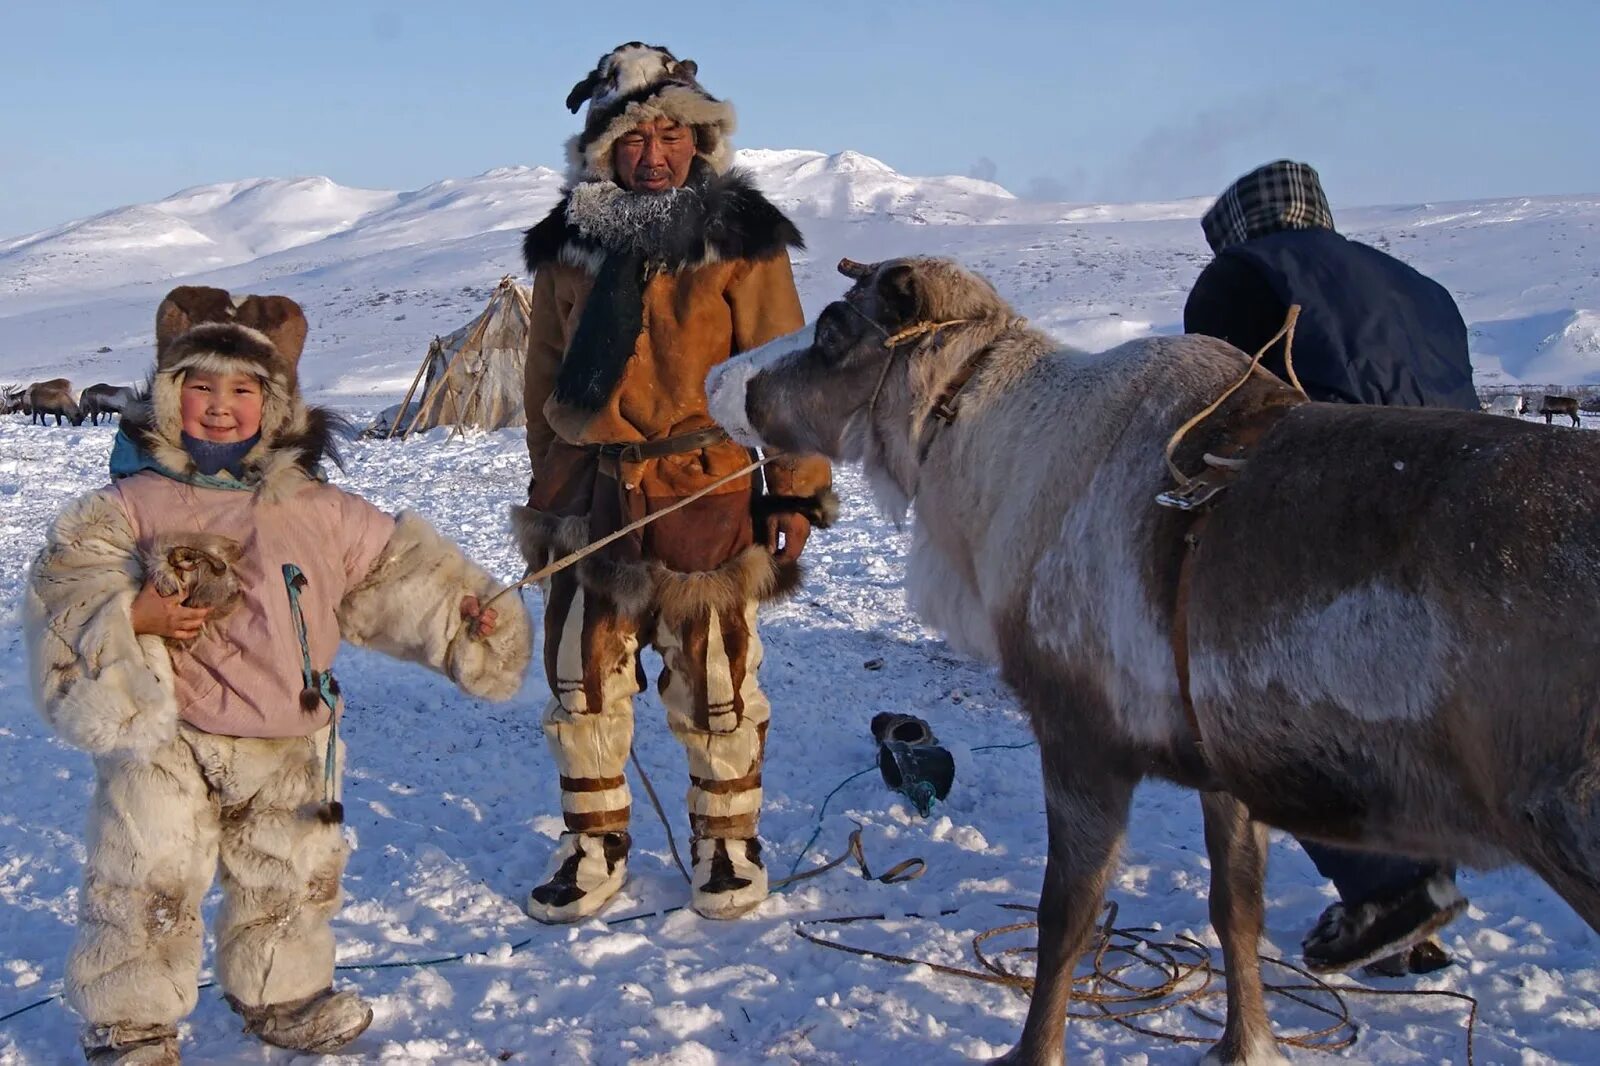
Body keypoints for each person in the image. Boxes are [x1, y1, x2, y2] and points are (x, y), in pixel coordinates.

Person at [25, 286, 532, 1064]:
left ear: (276, 402)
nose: (220, 407)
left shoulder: (319, 508)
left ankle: (284, 995)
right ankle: (130, 1025)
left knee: (289, 881)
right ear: (167, 397)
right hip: (170, 738)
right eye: (200, 387)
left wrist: (466, 618)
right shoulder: (129, 504)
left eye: (242, 390)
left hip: (289, 737)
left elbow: (396, 573)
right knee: (147, 884)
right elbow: (64, 592)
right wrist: (133, 618)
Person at [513, 42, 834, 923]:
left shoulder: (742, 242)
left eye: (672, 135)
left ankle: (725, 842)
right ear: (601, 152)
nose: (653, 154)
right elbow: (544, 376)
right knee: (585, 673)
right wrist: (550, 485)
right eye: (633, 139)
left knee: (716, 674)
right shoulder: (568, 248)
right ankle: (593, 842)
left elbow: (782, 371)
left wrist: (797, 490)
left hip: (707, 483)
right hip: (593, 487)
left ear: (699, 143)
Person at [1184, 159, 1478, 976]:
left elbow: (1217, 412)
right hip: (1455, 522)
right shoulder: (1417, 284)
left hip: (1333, 524)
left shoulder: (1241, 279)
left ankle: (1388, 886)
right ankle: (1413, 899)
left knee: (1255, 706)